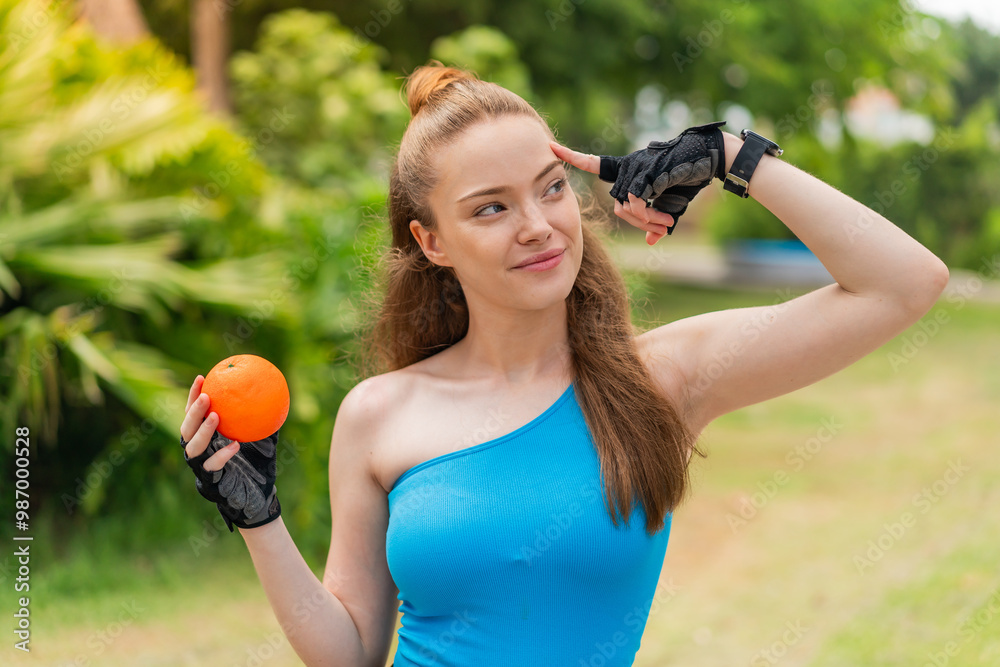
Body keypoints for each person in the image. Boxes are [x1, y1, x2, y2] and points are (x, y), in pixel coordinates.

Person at [178, 62, 950, 666]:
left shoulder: (663, 379)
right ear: (431, 241)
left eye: (551, 189)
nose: (538, 226)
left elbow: (905, 283)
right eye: (492, 207)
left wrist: (731, 155)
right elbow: (350, 652)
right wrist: (259, 520)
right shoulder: (380, 413)